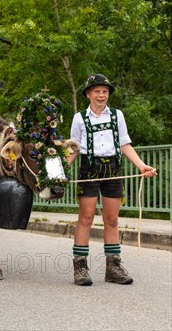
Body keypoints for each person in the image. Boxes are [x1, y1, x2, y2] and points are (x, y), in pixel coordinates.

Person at [67, 74, 157, 286]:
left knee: (112, 219)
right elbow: (73, 148)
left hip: (113, 170)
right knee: (86, 217)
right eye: (96, 91)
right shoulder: (79, 118)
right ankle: (80, 268)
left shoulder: (117, 116)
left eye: (105, 91)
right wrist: (59, 171)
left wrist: (141, 165)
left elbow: (125, 145)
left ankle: (113, 267)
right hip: (89, 169)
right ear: (88, 94)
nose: (101, 95)